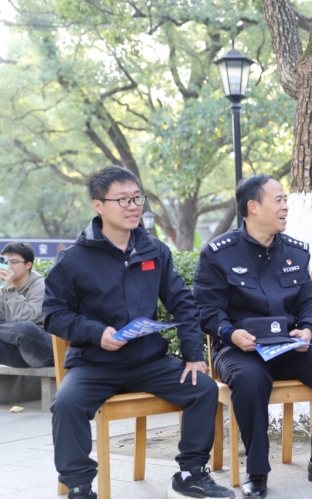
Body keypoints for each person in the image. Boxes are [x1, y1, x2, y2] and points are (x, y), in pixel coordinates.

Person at [44, 166, 234, 499]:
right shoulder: (73, 260)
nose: (133, 207)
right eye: (123, 200)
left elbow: (184, 304)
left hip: (149, 362)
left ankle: (189, 475)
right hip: (95, 364)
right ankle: (79, 487)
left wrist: (193, 355)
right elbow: (54, 315)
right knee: (67, 404)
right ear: (98, 205)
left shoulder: (155, 251)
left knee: (203, 388)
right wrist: (97, 333)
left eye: (137, 198)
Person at [193, 175, 312, 499]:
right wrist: (231, 333)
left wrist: (307, 328)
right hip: (239, 348)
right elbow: (206, 310)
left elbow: (309, 301)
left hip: (289, 345)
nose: (285, 206)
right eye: (278, 199)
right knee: (251, 379)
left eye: (285, 199)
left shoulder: (295, 251)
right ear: (253, 207)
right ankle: (257, 471)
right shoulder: (218, 254)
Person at [0, 242, 53, 368]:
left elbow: (25, 318)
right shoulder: (3, 287)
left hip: (42, 351)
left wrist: (11, 289)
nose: (8, 266)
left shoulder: (41, 286)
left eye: (14, 262)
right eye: (5, 262)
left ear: (28, 265)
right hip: (18, 351)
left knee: (26, 328)